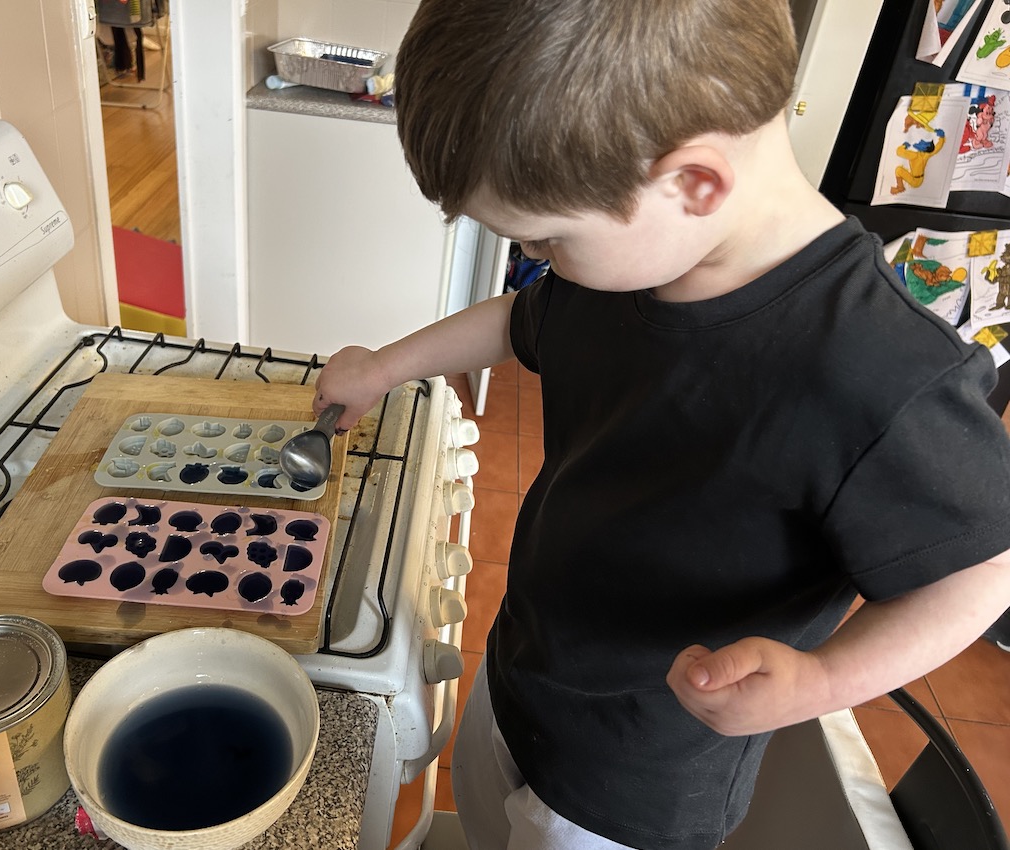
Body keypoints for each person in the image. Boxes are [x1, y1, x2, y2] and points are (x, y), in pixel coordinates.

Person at [311, 1, 1010, 848]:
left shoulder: (878, 372)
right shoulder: (640, 260)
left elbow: (984, 572)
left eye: (550, 240)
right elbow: (522, 319)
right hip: (525, 668)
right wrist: (384, 366)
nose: (544, 264)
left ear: (692, 182)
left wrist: (819, 682)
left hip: (629, 787)